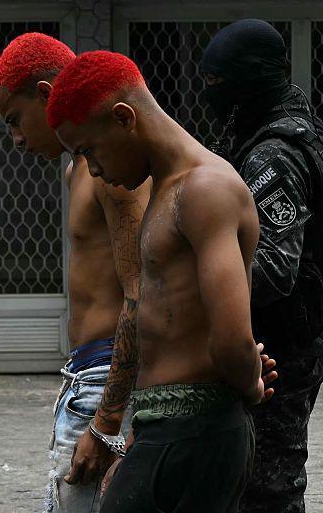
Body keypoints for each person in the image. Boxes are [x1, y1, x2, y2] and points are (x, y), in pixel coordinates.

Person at [48, 50, 278, 513]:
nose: (91, 170)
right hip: (167, 430)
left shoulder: (205, 190)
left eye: (89, 150)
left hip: (198, 432)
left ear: (123, 118)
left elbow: (233, 337)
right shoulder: (167, 190)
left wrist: (251, 383)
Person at [0, 33, 148, 512]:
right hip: (86, 376)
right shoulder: (79, 166)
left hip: (106, 379)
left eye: (15, 120)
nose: (15, 140)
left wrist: (109, 419)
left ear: (44, 93)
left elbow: (143, 294)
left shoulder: (111, 169)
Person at [201, 18, 323, 513]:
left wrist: (200, 274)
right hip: (292, 339)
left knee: (269, 492)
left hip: (282, 348)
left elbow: (275, 269)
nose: (209, 93)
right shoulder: (300, 130)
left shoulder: (273, 156)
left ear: (250, 80)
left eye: (218, 82)